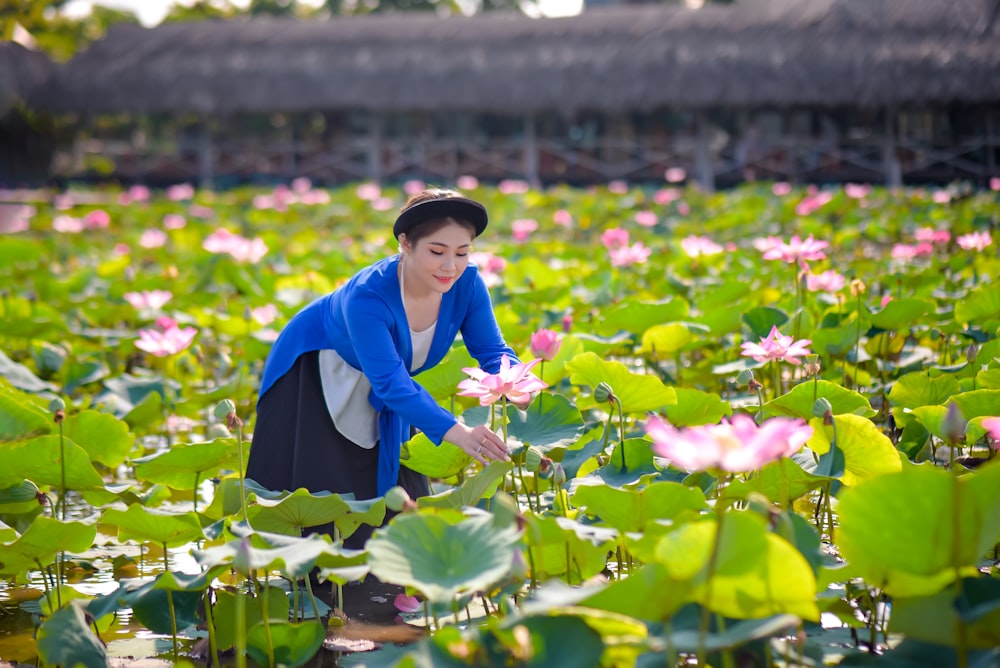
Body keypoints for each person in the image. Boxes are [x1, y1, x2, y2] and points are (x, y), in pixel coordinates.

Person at [246, 188, 515, 548]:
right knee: (330, 509)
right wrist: (459, 433)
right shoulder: (368, 297)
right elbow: (391, 384)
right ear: (405, 243)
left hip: (392, 385)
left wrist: (515, 382)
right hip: (320, 371)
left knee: (405, 506)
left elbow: (493, 352)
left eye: (462, 253)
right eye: (437, 252)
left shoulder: (467, 284)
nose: (450, 266)